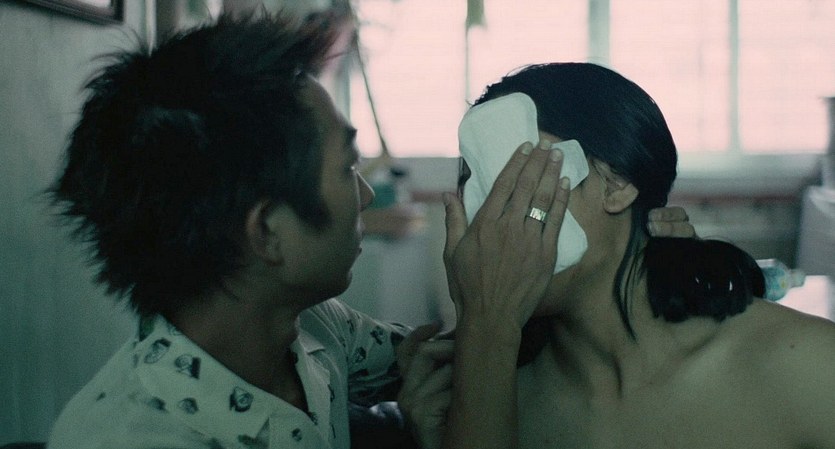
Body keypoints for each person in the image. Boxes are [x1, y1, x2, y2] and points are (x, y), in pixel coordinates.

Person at [44, 11, 696, 448]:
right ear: (267, 232)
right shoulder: (129, 434)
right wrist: (490, 319)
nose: (364, 193)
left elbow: (435, 356)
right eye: (346, 168)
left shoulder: (316, 331)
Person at [398, 63, 835, 449]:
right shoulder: (494, 403)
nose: (485, 220)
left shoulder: (803, 366)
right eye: (470, 182)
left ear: (615, 183)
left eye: (508, 180)